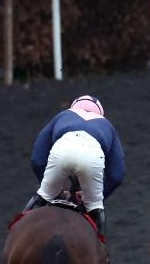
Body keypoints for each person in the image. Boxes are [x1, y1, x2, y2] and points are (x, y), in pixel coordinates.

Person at [26, 95, 125, 236]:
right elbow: (116, 175)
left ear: (73, 108)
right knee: (95, 207)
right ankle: (100, 245)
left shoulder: (63, 115)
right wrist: (91, 196)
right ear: (100, 114)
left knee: (43, 196)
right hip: (92, 157)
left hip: (62, 151)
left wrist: (55, 191)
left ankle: (16, 232)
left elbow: (38, 160)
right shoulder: (107, 125)